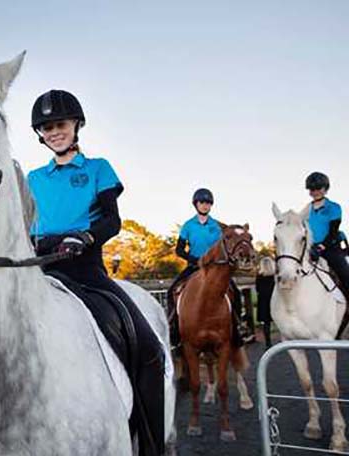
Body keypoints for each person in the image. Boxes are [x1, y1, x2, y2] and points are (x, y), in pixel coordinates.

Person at [27, 89, 164, 455]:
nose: (54, 132)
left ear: (76, 126)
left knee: (150, 351)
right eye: (46, 127)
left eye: (60, 124)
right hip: (40, 268)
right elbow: (25, 224)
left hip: (85, 268)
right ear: (39, 134)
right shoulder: (33, 178)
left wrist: (84, 237)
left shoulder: (98, 168)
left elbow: (113, 220)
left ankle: (152, 446)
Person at [166, 188, 243, 349]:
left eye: (208, 203)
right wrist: (194, 260)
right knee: (172, 290)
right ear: (196, 204)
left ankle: (237, 328)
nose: (205, 206)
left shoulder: (217, 226)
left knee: (234, 291)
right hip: (194, 266)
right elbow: (179, 250)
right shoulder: (188, 225)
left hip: (215, 268)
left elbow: (224, 247)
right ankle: (174, 329)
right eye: (202, 202)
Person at [306, 172, 349, 297]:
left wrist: (322, 246)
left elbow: (333, 231)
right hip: (311, 248)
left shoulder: (334, 207)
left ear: (325, 188)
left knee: (345, 274)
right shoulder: (307, 210)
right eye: (312, 189)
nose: (315, 191)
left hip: (330, 247)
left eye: (318, 188)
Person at [256, 256, 276, 348]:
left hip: (263, 301)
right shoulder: (274, 277)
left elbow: (257, 289)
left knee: (266, 323)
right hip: (274, 299)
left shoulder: (259, 276)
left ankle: (268, 343)